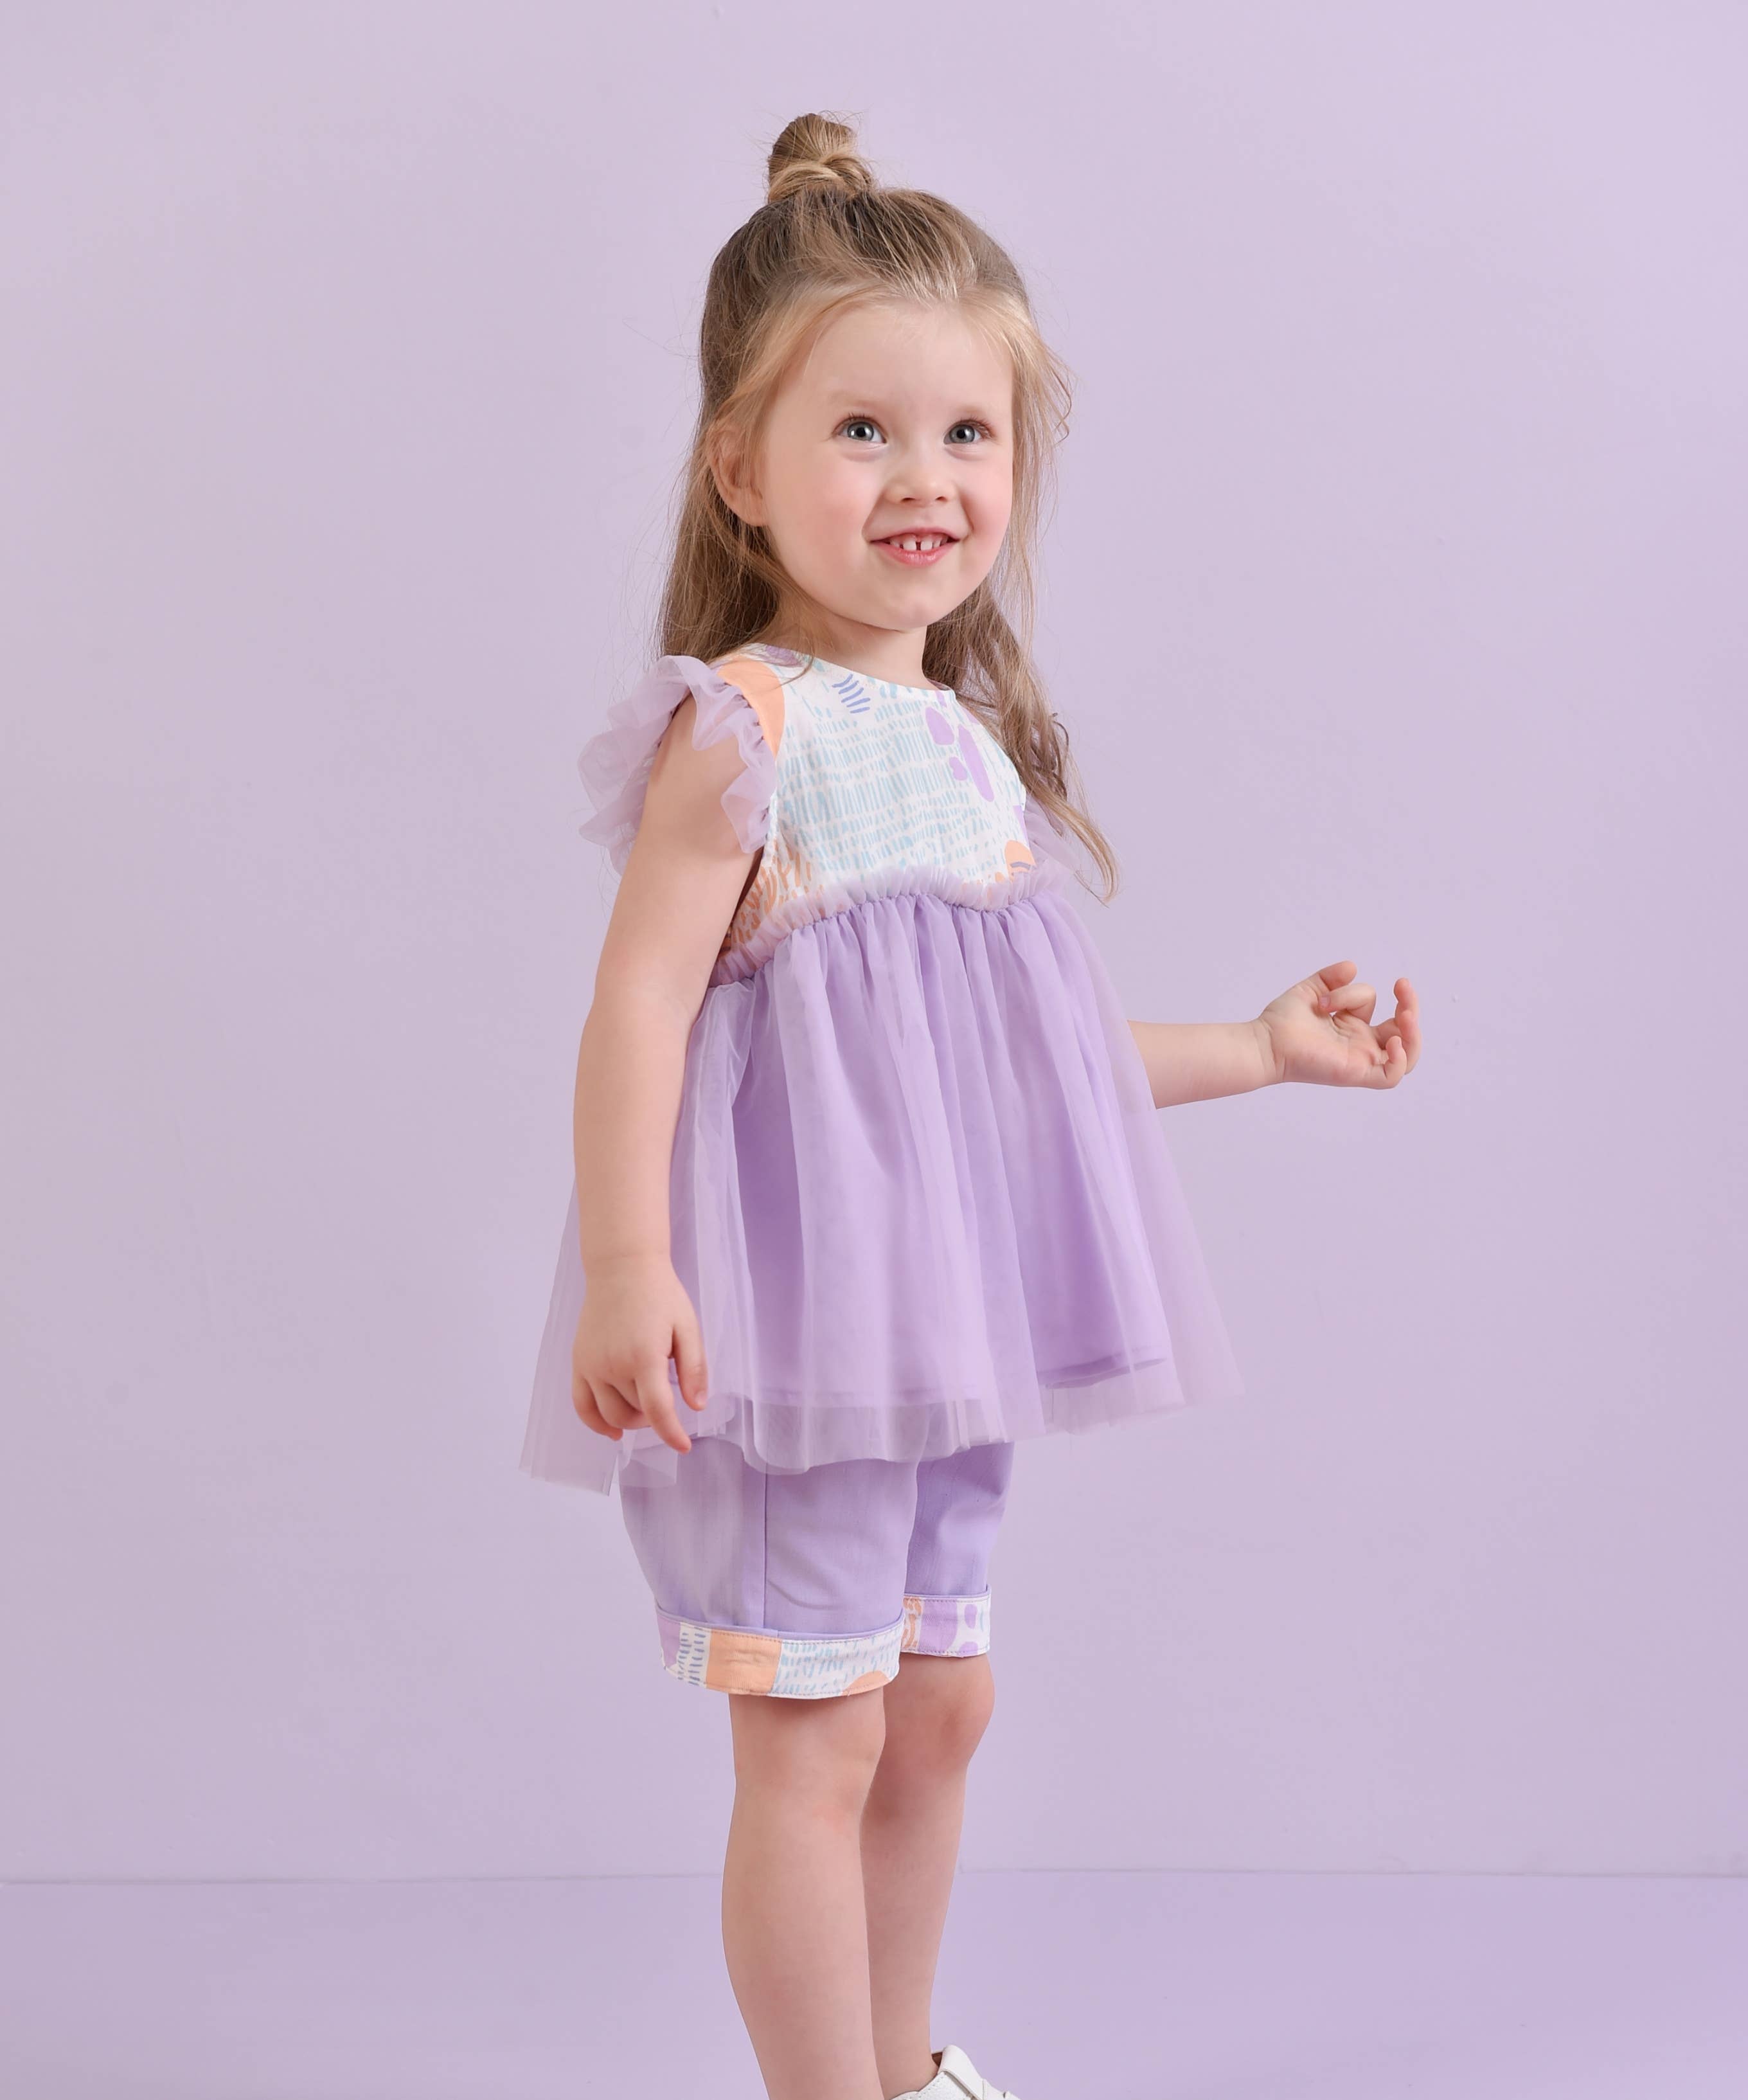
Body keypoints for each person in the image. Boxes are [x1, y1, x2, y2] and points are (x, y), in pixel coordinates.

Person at [521, 109, 1421, 2100]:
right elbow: (638, 1004)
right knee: (818, 1728)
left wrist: (1260, 1046)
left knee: (940, 1709)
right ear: (743, 472)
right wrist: (631, 1262)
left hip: (943, 1336)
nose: (924, 475)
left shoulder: (962, 752)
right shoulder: (741, 730)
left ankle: (904, 2067)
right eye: (862, 431)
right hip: (802, 1339)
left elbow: (1038, 1068)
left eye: (966, 433)